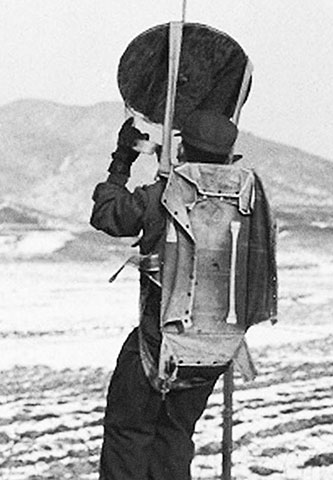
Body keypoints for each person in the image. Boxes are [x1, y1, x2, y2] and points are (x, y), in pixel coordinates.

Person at [92, 111, 270, 479]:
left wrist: (122, 161)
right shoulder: (249, 199)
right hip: (213, 349)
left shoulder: (164, 193)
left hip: (155, 344)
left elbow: (108, 215)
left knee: (128, 434)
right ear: (229, 154)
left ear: (183, 147)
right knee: (174, 437)